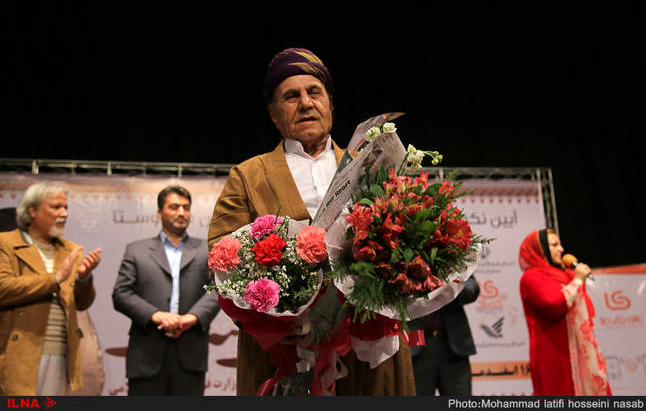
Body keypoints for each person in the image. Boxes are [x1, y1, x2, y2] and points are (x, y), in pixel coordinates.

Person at [208, 47, 415, 396]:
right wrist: (272, 321)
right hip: (284, 353)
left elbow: (407, 237)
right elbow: (220, 258)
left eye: (314, 92)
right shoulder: (248, 176)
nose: (305, 103)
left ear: (330, 105)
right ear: (274, 114)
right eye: (291, 96)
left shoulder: (372, 165)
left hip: (369, 347)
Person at [112, 185, 220, 395]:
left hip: (190, 352)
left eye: (186, 207)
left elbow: (217, 290)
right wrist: (156, 315)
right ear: (159, 213)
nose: (181, 212)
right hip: (146, 353)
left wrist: (192, 317)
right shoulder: (137, 250)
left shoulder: (206, 250)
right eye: (174, 207)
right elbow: (121, 293)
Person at [0, 181, 102, 395]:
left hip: (61, 353)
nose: (64, 213)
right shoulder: (5, 243)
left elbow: (82, 303)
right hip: (18, 351)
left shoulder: (71, 250)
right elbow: (3, 288)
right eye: (56, 207)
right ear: (33, 211)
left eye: (66, 208)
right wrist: (54, 279)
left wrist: (84, 278)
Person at [518, 228, 611, 396]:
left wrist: (575, 279)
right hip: (555, 354)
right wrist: (577, 281)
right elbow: (553, 304)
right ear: (540, 250)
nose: (561, 249)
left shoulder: (567, 275)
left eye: (560, 244)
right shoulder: (531, 277)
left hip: (581, 351)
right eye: (554, 245)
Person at [407, 274, 479, 395]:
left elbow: (472, 290)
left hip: (454, 348)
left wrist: (448, 285)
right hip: (415, 348)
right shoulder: (403, 263)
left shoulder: (455, 263)